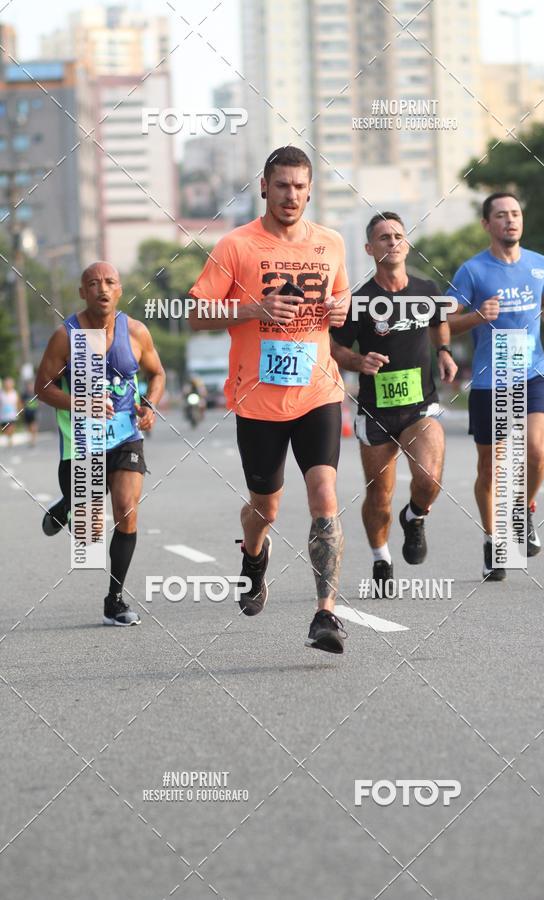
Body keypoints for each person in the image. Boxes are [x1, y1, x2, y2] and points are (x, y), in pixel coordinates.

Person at [189, 146, 351, 653]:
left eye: (301, 187)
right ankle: (254, 556)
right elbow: (196, 314)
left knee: (324, 495)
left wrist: (340, 310)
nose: (292, 196)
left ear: (310, 190)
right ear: (264, 186)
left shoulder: (331, 244)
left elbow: (339, 305)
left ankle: (325, 614)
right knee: (266, 506)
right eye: (282, 185)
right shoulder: (236, 246)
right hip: (258, 400)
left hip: (318, 390)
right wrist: (253, 307)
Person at [330, 212, 457, 592]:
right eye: (383, 237)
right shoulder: (361, 300)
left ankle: (415, 516)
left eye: (398, 235)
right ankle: (380, 556)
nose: (392, 241)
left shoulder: (426, 289)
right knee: (379, 496)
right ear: (370, 248)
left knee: (429, 477)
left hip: (421, 404)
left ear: (407, 243)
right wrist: (358, 362)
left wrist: (446, 352)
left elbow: (440, 321)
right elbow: (334, 346)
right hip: (377, 410)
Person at [35, 261, 165, 625]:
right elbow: (41, 388)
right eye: (93, 283)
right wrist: (83, 403)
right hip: (81, 441)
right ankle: (68, 506)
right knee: (88, 525)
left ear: (120, 289)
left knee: (126, 511)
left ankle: (115, 599)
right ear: (83, 292)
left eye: (109, 282)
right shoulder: (66, 335)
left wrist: (150, 403)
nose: (102, 289)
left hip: (125, 436)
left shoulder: (136, 332)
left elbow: (157, 373)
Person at [446, 192, 544, 580]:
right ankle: (493, 541)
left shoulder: (539, 263)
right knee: (491, 467)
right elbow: (445, 322)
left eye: (515, 213)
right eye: (501, 215)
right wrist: (478, 317)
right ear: (487, 225)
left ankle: (522, 511)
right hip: (489, 380)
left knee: (536, 451)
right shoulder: (472, 271)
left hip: (533, 372)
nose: (510, 220)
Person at [0, 376, 19, 447]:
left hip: (12, 415)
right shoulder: (1, 393)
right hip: (3, 415)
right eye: (6, 383)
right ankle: (8, 437)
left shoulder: (14, 393)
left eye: (9, 383)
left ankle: (10, 439)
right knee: (4, 429)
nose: (8, 384)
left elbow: (17, 403)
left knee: (11, 427)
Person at [21, 379, 39, 446]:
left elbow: (39, 402)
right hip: (27, 413)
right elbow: (21, 403)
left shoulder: (35, 394)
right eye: (28, 386)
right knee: (29, 427)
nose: (30, 387)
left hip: (34, 412)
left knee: (34, 427)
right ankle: (30, 438)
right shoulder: (24, 395)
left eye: (31, 386)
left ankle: (33, 440)